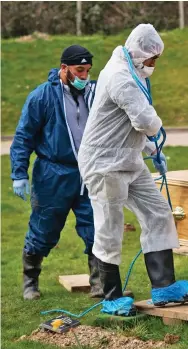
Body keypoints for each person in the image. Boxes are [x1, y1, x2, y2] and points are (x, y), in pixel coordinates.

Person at [78, 24, 188, 316]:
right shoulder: (120, 77)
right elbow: (145, 121)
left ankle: (163, 286)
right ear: (138, 53)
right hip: (104, 164)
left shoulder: (132, 71)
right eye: (151, 59)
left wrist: (151, 149)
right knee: (109, 226)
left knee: (158, 213)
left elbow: (125, 126)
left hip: (128, 158)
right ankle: (110, 296)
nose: (153, 65)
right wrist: (156, 134)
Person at [10, 45, 109, 301]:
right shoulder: (42, 97)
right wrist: (19, 173)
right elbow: (23, 137)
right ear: (64, 68)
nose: (84, 76)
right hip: (53, 174)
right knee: (44, 228)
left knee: (96, 227)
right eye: (79, 70)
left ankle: (99, 284)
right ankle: (30, 281)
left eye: (87, 70)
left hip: (88, 173)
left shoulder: (93, 94)